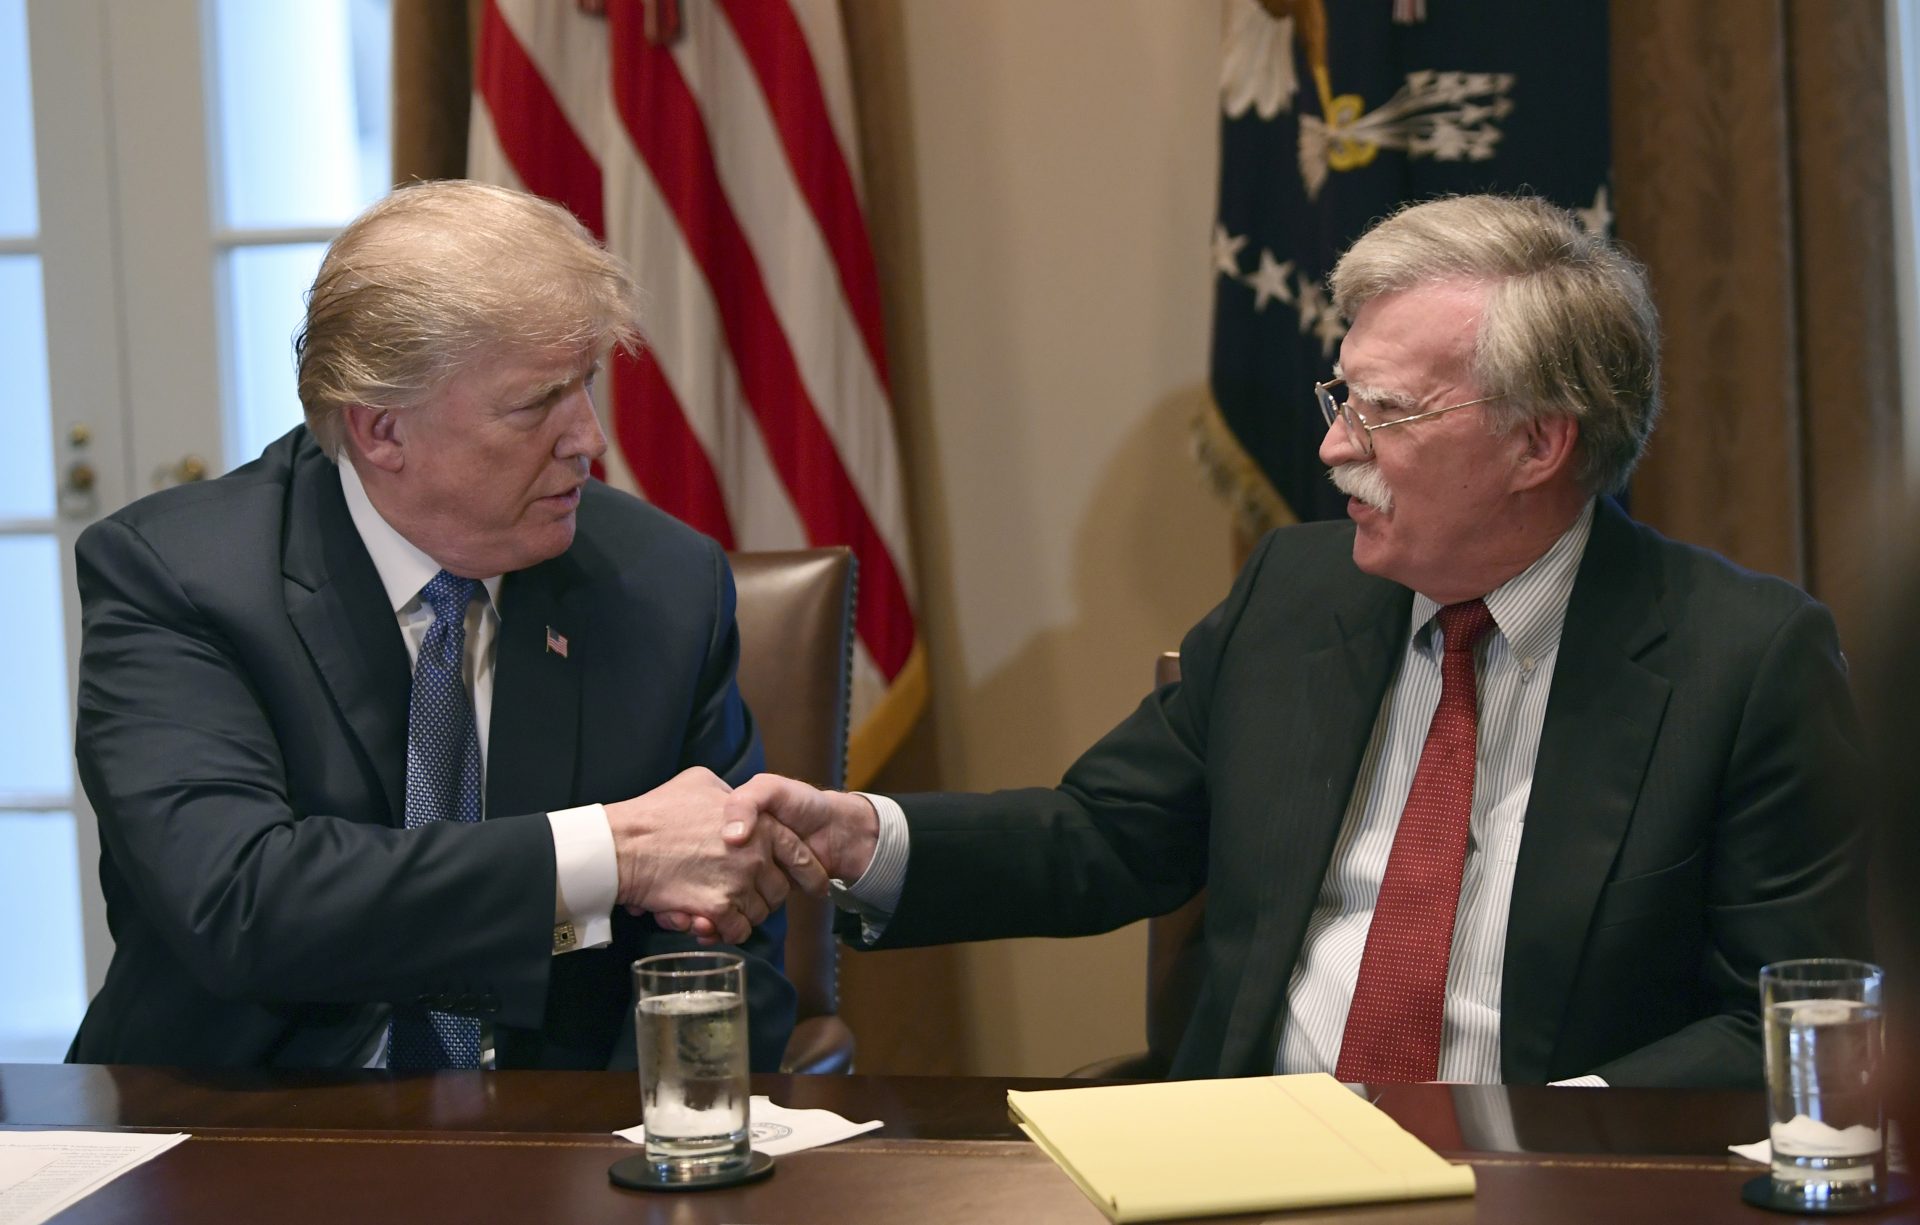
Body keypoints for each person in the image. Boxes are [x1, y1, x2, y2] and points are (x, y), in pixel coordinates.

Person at [735, 194, 1871, 1088]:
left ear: (1539, 443)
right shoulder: (1296, 590)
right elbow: (1107, 833)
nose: (1333, 448)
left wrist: (1551, 1128)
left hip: (1544, 1175)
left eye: (1384, 412)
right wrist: (860, 839)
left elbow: (1788, 1013)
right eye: (1343, 396)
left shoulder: (1742, 661)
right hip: (1254, 1155)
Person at [66, 180, 824, 1072]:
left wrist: (636, 1152)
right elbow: (242, 901)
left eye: (585, 383)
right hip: (238, 1127)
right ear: (383, 429)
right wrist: (606, 853)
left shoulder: (661, 584)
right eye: (537, 402)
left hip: (560, 1149)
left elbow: (727, 934)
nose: (589, 437)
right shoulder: (177, 576)